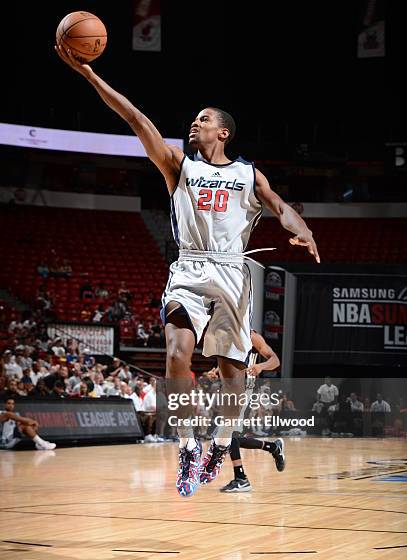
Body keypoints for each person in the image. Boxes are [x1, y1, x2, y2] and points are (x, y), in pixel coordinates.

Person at [56, 46, 320, 497]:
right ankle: (185, 448)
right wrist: (88, 74)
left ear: (223, 131)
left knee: (232, 373)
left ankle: (219, 446)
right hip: (190, 267)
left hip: (234, 272)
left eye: (203, 119)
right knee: (177, 352)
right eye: (193, 119)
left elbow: (280, 209)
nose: (193, 124)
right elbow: (138, 120)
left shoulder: (248, 175)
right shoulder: (180, 167)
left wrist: (303, 230)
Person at [219, 329, 284, 492]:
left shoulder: (251, 335)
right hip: (232, 387)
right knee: (233, 437)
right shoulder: (226, 333)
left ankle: (241, 479)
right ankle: (273, 447)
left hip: (245, 389)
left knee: (229, 433)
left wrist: (261, 366)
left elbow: (275, 360)